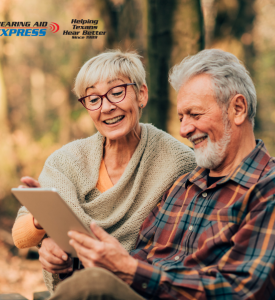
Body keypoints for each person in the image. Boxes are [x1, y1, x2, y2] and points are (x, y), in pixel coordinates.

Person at [48, 49, 275, 300]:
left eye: (195, 114)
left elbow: (241, 290)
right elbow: (139, 255)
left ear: (238, 109)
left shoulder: (266, 189)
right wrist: (68, 259)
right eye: (181, 117)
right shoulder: (185, 184)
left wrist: (131, 270)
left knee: (89, 286)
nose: (185, 129)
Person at [12, 50, 196, 293]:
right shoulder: (67, 160)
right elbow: (20, 235)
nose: (106, 107)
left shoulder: (178, 161)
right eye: (93, 99)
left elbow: (180, 247)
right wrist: (45, 228)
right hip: (77, 288)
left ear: (141, 94)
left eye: (117, 93)